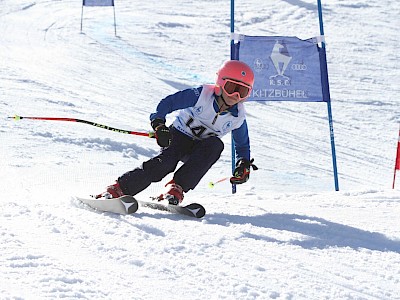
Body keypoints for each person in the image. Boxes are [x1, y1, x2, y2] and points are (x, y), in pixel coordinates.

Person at [96, 60, 257, 204]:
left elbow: (242, 145)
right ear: (220, 83)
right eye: (231, 88)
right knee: (165, 163)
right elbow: (169, 103)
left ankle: (176, 188)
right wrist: (159, 124)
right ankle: (120, 188)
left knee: (216, 145)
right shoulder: (201, 95)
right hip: (178, 137)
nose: (235, 96)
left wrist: (243, 164)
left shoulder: (238, 118)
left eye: (242, 92)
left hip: (199, 150)